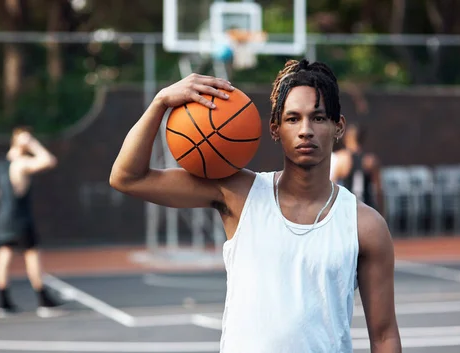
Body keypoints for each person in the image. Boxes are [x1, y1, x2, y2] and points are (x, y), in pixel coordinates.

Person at [109, 59, 401, 352]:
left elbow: (385, 335)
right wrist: (160, 103)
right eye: (292, 119)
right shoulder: (238, 194)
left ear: (338, 127)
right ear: (275, 129)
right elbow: (127, 177)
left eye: (319, 118)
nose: (305, 130)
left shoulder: (365, 225)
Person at [0, 127, 63, 318]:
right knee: (32, 254)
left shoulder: (1, 164)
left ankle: (3, 302)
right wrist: (33, 144)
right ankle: (43, 300)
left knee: (4, 254)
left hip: (3, 217)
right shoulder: (20, 163)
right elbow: (49, 161)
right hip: (19, 218)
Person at [331, 123, 385, 215]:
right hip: (367, 207)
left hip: (347, 208)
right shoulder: (370, 161)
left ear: (347, 139)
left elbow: (332, 187)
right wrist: (382, 213)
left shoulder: (341, 159)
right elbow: (378, 191)